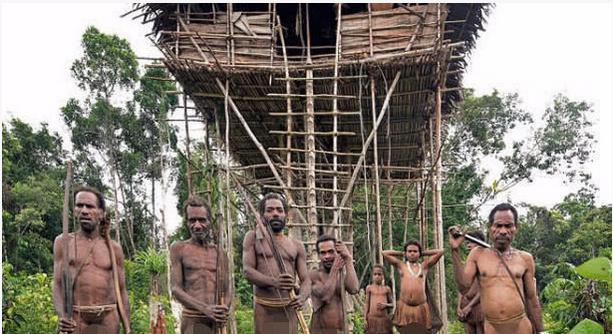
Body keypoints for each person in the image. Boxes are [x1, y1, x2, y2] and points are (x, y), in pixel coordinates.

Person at [449, 203, 544, 334]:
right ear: (490, 227)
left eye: (508, 226)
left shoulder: (525, 258)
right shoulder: (478, 254)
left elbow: (532, 300)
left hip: (520, 327)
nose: (503, 231)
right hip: (492, 328)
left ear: (516, 228)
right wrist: (454, 251)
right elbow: (464, 287)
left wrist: (541, 331)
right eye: (498, 226)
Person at [52, 186, 130, 334]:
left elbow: (121, 290)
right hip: (75, 319)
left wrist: (127, 325)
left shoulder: (114, 248)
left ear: (101, 213)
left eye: (90, 206)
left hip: (107, 320)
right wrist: (62, 316)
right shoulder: (63, 242)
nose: (84, 210)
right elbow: (57, 284)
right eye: (79, 205)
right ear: (74, 210)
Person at [242, 193, 311, 334]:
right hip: (264, 310)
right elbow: (247, 271)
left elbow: (306, 280)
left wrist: (302, 297)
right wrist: (274, 282)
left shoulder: (296, 245)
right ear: (262, 215)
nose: (275, 214)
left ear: (286, 215)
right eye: (270, 210)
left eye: (279, 210)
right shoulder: (253, 237)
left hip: (288, 309)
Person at [170, 195, 230, 334]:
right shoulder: (179, 248)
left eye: (202, 220)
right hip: (192, 321)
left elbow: (227, 290)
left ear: (209, 221)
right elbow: (176, 289)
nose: (197, 226)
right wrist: (205, 309)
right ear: (186, 222)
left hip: (216, 323)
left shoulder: (220, 252)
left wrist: (223, 309)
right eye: (192, 220)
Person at [382, 241, 444, 334]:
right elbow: (384, 253)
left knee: (421, 331)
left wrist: (423, 253)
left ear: (419, 253)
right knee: (405, 331)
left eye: (415, 251)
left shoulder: (424, 266)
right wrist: (401, 253)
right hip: (405, 307)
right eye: (409, 251)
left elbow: (440, 251)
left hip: (421, 308)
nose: (412, 253)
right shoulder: (401, 266)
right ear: (406, 253)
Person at [309, 234, 360, 334]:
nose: (327, 256)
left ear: (337, 252)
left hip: (340, 331)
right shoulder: (313, 276)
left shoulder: (341, 274)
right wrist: (335, 269)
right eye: (323, 253)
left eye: (331, 252)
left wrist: (348, 259)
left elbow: (354, 289)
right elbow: (326, 296)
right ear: (319, 255)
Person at [456, 231, 486, 334]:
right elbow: (462, 287)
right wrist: (459, 306)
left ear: (480, 244)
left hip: (479, 306)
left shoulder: (485, 263)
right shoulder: (468, 264)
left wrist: (471, 306)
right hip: (466, 306)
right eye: (467, 243)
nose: (468, 245)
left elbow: (484, 289)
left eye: (472, 242)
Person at [364, 264, 393, 334]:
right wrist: (365, 319)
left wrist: (386, 305)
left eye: (379, 274)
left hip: (384, 320)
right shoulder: (369, 288)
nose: (377, 276)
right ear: (372, 276)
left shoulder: (387, 289)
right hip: (372, 320)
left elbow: (393, 304)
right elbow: (367, 304)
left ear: (383, 276)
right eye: (375, 274)